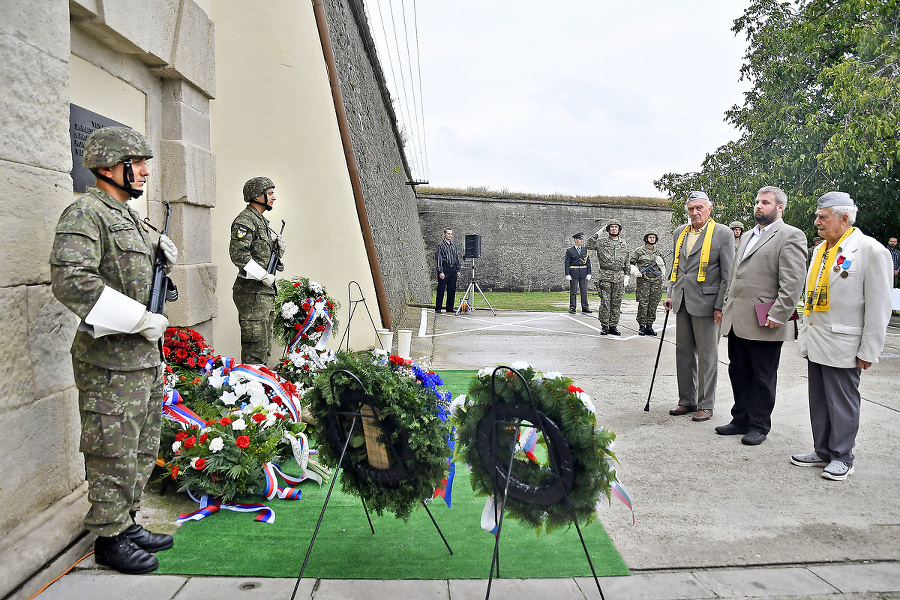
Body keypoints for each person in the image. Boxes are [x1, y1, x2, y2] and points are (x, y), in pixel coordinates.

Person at [49, 126, 176, 574]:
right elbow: (72, 281)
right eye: (136, 162)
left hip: (143, 359)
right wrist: (139, 320)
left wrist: (158, 254)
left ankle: (128, 520)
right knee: (111, 450)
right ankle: (108, 536)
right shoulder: (86, 213)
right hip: (108, 362)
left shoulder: (129, 216)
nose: (144, 171)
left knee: (141, 447)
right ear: (108, 166)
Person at [791, 192, 892, 480]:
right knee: (819, 399)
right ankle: (822, 450)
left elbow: (879, 306)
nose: (816, 221)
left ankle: (842, 455)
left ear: (844, 219)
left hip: (845, 343)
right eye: (818, 216)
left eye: (823, 216)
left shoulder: (871, 251)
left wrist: (869, 350)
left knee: (842, 401)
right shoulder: (821, 250)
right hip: (817, 338)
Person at [717, 187, 807, 445]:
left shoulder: (790, 235)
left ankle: (759, 424)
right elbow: (736, 275)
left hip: (765, 318)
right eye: (757, 202)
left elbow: (792, 281)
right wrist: (726, 306)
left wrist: (780, 312)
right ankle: (740, 419)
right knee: (739, 370)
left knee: (763, 376)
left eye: (765, 202)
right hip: (738, 319)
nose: (758, 206)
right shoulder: (746, 236)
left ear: (780, 207)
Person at [662, 191, 734, 422]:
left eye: (699, 208)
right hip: (682, 301)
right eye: (691, 208)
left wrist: (721, 305)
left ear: (709, 209)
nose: (695, 212)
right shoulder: (680, 233)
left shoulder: (723, 233)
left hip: (708, 303)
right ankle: (687, 400)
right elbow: (676, 267)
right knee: (683, 354)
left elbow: (727, 274)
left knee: (707, 357)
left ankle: (706, 404)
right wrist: (670, 293)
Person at [230, 176, 284, 365]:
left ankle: (261, 389)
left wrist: (276, 247)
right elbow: (239, 256)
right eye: (269, 193)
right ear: (257, 196)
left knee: (265, 347)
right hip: (252, 294)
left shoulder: (260, 221)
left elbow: (258, 253)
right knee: (255, 350)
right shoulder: (245, 221)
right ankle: (250, 388)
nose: (273, 197)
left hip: (263, 293)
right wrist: (262, 275)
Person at [587, 220, 630, 335]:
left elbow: (627, 260)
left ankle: (613, 326)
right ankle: (604, 326)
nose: (614, 229)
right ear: (608, 230)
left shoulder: (624, 244)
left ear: (619, 230)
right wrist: (600, 232)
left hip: (619, 277)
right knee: (605, 303)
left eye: (616, 227)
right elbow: (588, 244)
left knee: (616, 303)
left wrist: (627, 275)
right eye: (611, 227)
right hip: (605, 276)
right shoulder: (601, 242)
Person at [630, 232, 665, 336]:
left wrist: (661, 265)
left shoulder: (658, 252)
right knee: (643, 303)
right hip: (643, 281)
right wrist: (636, 271)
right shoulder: (639, 251)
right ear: (646, 239)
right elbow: (631, 262)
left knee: (653, 303)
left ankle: (650, 325)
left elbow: (663, 267)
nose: (652, 239)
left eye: (654, 237)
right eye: (650, 237)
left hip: (656, 281)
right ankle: (642, 325)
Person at [565, 232, 593, 313]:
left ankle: (585, 307)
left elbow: (588, 262)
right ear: (575, 240)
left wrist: (589, 273)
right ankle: (572, 307)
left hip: (583, 272)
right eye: (579, 239)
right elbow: (567, 263)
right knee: (573, 291)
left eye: (581, 239)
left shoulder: (585, 250)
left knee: (584, 291)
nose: (581, 241)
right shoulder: (570, 251)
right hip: (574, 272)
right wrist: (567, 274)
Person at [435, 227, 461, 313]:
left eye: (451, 234)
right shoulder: (440, 245)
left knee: (452, 289)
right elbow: (438, 259)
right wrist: (440, 271)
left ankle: (449, 307)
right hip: (444, 268)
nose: (450, 235)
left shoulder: (454, 245)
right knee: (441, 289)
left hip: (452, 268)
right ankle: (438, 308)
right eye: (448, 233)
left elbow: (456, 258)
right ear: (444, 234)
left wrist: (458, 270)